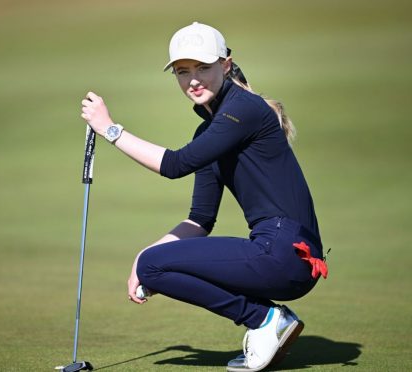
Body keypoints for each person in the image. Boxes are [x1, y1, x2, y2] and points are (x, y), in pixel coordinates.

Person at [80, 21, 328, 372]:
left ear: (226, 65)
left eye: (203, 68)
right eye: (183, 72)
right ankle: (266, 319)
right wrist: (144, 257)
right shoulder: (211, 130)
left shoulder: (244, 109)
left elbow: (176, 165)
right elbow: (199, 220)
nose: (193, 79)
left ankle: (265, 319)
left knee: (154, 263)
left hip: (284, 253)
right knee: (152, 263)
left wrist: (109, 129)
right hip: (280, 255)